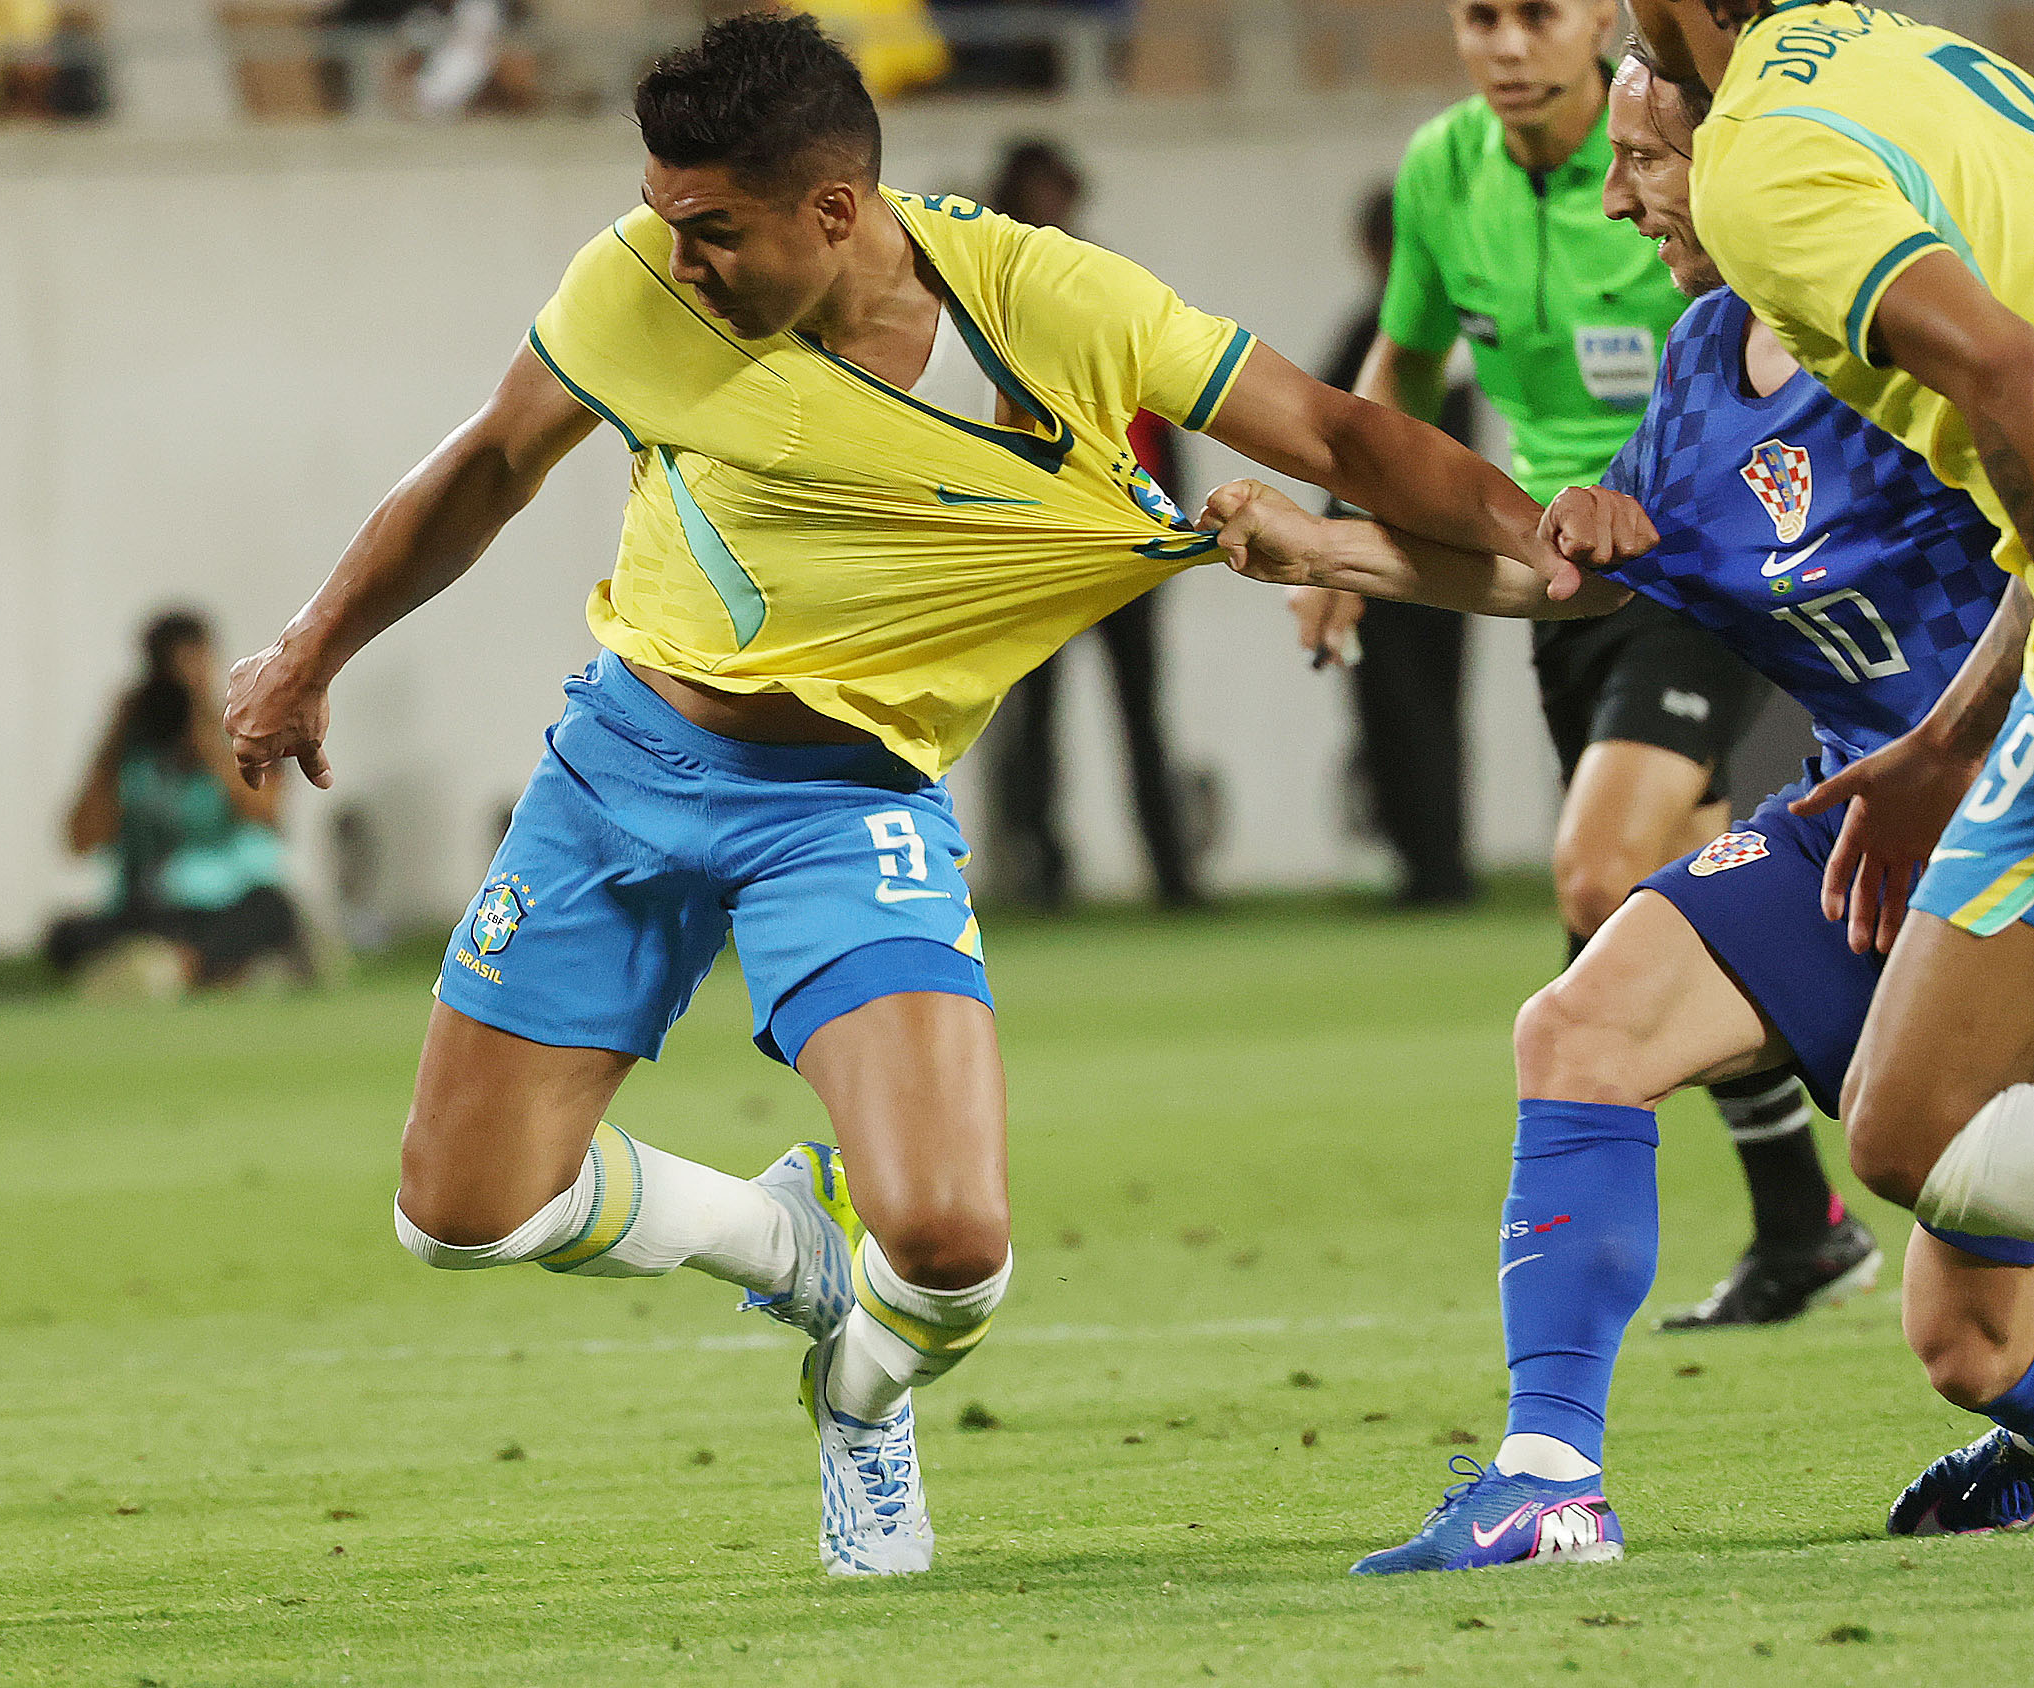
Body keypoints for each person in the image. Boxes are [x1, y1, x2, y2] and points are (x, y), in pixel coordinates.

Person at [222, 12, 1569, 1577]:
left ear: (837, 212)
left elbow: (1340, 434)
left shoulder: (1051, 305)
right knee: (455, 1213)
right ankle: (782, 1242)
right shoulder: (641, 281)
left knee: (947, 1250)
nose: (680, 256)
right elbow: (487, 466)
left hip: (844, 806)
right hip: (617, 770)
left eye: (714, 228)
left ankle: (863, 1400)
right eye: (665, 218)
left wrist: (1555, 536)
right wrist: (311, 647)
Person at [1203, 52, 2012, 1570]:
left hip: (2001, 821)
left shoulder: (1920, 336)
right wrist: (1327, 551)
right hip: (1854, 827)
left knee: (1965, 1343)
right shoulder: (1707, 355)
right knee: (1579, 1027)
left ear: (1758, 159)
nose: (1621, 192)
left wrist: (1962, 751)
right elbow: (1549, 578)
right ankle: (1548, 1479)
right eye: (1617, 158)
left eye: (1651, 158)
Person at [1296, 0, 1855, 1329]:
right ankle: (1799, 1221)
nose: (1502, 45)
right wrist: (1348, 540)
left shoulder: (1702, 162)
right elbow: (1408, 364)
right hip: (1546, 572)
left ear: (1599, 28)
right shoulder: (1443, 172)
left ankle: (1586, 1173)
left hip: (1682, 563)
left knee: (1597, 871)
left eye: (1532, 15)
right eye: (1477, 17)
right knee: (1695, 886)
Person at [1617, 0, 2034, 1535]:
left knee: (1910, 1131)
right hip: (1976, 702)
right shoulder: (1895, 52)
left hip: (1996, 687)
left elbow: (2011, 372)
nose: (1624, 189)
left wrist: (1959, 726)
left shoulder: (1759, 158)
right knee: (1962, 1321)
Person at [983, 138, 1200, 909]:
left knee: (1141, 714)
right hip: (1037, 541)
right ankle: (1039, 871)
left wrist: (1171, 523)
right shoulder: (988, 303)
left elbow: (1161, 412)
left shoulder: (1107, 290)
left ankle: (1172, 871)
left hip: (1126, 531)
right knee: (1031, 721)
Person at [1318, 182, 1479, 908]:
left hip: (1383, 559)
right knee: (1432, 713)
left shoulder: (1376, 337)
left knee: (1402, 715)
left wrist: (1332, 560)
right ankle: (1438, 861)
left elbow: (1329, 451)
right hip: (1446, 556)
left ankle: (1431, 867)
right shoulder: (1450, 334)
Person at [49, 610, 306, 996]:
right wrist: (113, 739)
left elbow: (268, 816)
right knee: (65, 935)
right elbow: (79, 840)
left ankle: (177, 967)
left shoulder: (249, 729)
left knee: (273, 913)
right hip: (153, 904)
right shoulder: (135, 744)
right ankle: (201, 969)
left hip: (230, 897)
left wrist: (211, 741)